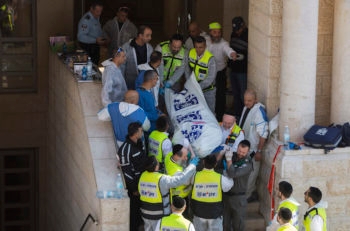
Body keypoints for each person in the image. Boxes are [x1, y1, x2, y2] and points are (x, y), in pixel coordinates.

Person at [138, 155, 199, 231]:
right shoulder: (162, 179)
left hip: (145, 213)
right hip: (158, 215)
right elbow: (181, 179)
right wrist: (192, 166)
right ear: (156, 166)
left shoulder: (143, 176)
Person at [238, 89, 269, 202]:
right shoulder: (247, 108)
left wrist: (259, 151)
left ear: (255, 100)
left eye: (249, 100)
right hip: (245, 148)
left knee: (251, 174)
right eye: (245, 100)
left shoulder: (259, 113)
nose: (246, 103)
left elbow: (263, 133)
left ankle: (248, 195)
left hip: (253, 150)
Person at [118, 122, 148, 231]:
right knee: (134, 211)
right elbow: (127, 172)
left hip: (144, 183)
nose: (142, 132)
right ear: (135, 133)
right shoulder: (125, 149)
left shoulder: (139, 143)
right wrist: (134, 188)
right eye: (140, 130)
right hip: (135, 188)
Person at [191, 153, 234, 231]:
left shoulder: (195, 176)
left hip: (198, 212)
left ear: (203, 162)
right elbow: (229, 185)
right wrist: (226, 172)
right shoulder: (220, 178)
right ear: (215, 164)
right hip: (214, 213)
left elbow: (187, 181)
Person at [206, 22, 237, 120]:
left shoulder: (223, 43)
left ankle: (219, 119)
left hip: (219, 74)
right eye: (215, 32)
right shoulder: (205, 41)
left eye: (219, 32)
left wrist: (232, 54)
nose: (217, 34)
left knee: (220, 97)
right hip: (206, 73)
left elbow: (228, 49)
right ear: (210, 32)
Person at [221, 139, 253, 231]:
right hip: (226, 197)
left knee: (238, 226)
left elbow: (232, 174)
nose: (240, 153)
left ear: (248, 152)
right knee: (224, 225)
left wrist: (228, 161)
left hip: (238, 199)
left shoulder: (248, 163)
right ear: (237, 147)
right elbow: (218, 166)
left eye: (243, 152)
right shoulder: (232, 155)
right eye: (239, 151)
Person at [185, 35, 217, 113]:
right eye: (196, 47)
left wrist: (198, 86)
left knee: (209, 112)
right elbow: (186, 69)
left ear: (205, 46)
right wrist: (189, 83)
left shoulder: (210, 58)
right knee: (195, 111)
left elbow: (211, 77)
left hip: (208, 91)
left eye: (201, 47)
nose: (198, 50)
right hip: (193, 89)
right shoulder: (190, 52)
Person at [121, 25, 153, 89]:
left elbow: (151, 65)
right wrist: (121, 82)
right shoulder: (126, 47)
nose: (150, 38)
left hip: (144, 83)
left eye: (150, 35)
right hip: (129, 83)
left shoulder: (150, 48)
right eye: (147, 35)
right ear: (140, 35)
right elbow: (121, 66)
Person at [229, 16, 249, 117]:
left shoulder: (248, 35)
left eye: (239, 29)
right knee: (236, 95)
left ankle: (244, 117)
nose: (237, 32)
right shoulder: (233, 34)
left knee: (243, 96)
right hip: (233, 69)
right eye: (235, 30)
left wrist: (242, 57)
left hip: (243, 71)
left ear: (243, 26)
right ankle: (237, 117)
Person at [77, 0, 106, 65]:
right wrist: (95, 40)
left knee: (94, 66)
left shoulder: (96, 17)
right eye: (97, 11)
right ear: (91, 9)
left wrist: (103, 38)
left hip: (95, 48)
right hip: (87, 48)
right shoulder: (86, 20)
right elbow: (80, 37)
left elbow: (97, 31)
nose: (99, 13)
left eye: (101, 11)